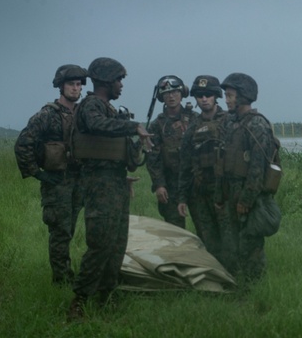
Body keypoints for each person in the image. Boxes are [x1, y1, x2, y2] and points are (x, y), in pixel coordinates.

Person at [68, 57, 152, 320]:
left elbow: (123, 156)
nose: (121, 86)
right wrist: (133, 126)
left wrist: (136, 146)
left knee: (117, 244)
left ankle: (106, 296)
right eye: (119, 80)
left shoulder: (110, 110)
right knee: (100, 244)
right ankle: (79, 301)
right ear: (106, 81)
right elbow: (95, 126)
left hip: (114, 183)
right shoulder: (91, 106)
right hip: (99, 186)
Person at [15, 64, 87, 285]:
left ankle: (72, 276)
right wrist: (38, 174)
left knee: (72, 228)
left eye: (78, 85)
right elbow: (23, 144)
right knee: (60, 232)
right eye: (70, 84)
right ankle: (62, 280)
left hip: (80, 180)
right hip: (57, 182)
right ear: (60, 87)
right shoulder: (47, 115)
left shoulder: (85, 113)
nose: (75, 89)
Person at [219, 72, 281, 282]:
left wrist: (246, 200)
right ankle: (239, 283)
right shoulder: (232, 123)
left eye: (230, 95)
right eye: (225, 95)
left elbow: (257, 169)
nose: (226, 100)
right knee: (234, 242)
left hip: (249, 196)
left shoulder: (257, 125)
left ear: (243, 96)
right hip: (233, 191)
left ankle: (253, 288)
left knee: (250, 244)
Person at [176, 75, 231, 269]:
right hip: (199, 193)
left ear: (216, 96)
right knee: (208, 238)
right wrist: (182, 198)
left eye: (208, 95)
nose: (204, 99)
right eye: (200, 95)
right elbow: (185, 166)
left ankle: (235, 277)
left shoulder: (229, 123)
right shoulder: (191, 129)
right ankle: (216, 276)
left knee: (229, 238)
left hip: (224, 193)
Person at [145, 75, 194, 230]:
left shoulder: (194, 119)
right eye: (166, 93)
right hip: (171, 182)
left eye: (174, 92)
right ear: (161, 97)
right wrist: (159, 184)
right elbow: (153, 158)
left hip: (195, 181)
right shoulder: (157, 125)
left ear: (182, 93)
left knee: (206, 227)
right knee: (174, 230)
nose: (171, 96)